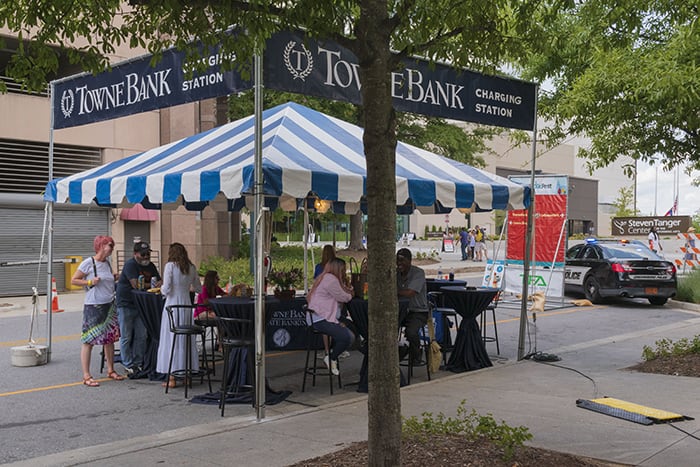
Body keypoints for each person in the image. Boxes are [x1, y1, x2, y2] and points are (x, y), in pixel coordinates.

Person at [71, 235, 124, 387]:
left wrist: (114, 277)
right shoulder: (89, 263)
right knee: (89, 340)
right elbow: (74, 280)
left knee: (109, 339)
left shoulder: (107, 263)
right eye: (110, 245)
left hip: (109, 304)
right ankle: (86, 375)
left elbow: (108, 280)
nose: (112, 249)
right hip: (93, 305)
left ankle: (111, 370)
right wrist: (89, 281)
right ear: (101, 246)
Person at [156, 242, 201, 388]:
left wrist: (161, 288)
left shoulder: (170, 266)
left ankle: (172, 378)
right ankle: (186, 375)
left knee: (171, 339)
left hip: (172, 305)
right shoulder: (191, 267)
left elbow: (166, 289)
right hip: (186, 305)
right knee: (185, 340)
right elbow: (198, 288)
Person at [115, 241, 162, 376]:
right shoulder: (130, 265)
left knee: (141, 336)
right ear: (135, 254)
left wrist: (153, 283)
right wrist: (152, 284)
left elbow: (159, 281)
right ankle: (128, 364)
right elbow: (136, 285)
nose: (146, 256)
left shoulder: (151, 266)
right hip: (126, 303)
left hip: (141, 305)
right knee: (126, 336)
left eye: (148, 254)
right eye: (143, 254)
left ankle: (138, 362)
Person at [306, 257, 355, 375]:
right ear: (338, 269)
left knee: (352, 329)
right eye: (343, 270)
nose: (344, 272)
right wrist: (351, 292)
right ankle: (332, 357)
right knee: (348, 337)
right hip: (321, 318)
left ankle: (332, 356)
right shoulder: (331, 280)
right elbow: (344, 297)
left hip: (318, 316)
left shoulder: (323, 277)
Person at [396, 248, 428, 365]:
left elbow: (410, 293)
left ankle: (416, 352)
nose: (399, 264)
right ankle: (399, 351)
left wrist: (395, 291)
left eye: (402, 260)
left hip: (418, 311)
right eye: (397, 261)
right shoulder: (396, 273)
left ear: (409, 261)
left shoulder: (418, 273)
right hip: (401, 311)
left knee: (411, 332)